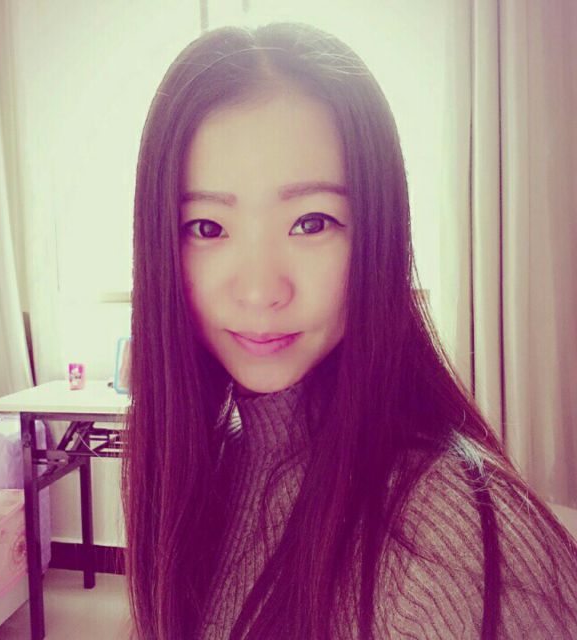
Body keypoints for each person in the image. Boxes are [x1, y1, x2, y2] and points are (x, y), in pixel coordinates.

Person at [120, 21, 577, 639]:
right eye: (207, 227)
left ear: (378, 234)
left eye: (311, 222)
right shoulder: (209, 461)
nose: (260, 291)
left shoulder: (453, 539)